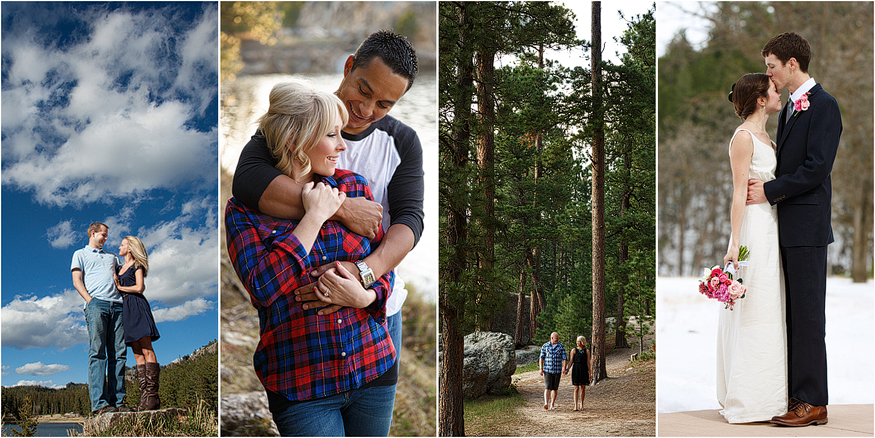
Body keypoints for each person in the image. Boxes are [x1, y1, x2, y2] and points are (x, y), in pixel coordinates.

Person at [231, 31, 423, 419]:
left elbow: (410, 221)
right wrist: (340, 209)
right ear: (349, 66)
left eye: (384, 103)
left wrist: (363, 277)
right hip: (302, 351)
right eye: (363, 91)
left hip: (374, 311)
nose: (367, 109)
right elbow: (248, 180)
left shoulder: (402, 141)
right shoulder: (298, 118)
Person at [747, 32, 841, 427]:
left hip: (806, 228)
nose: (768, 74)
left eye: (771, 66)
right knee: (787, 314)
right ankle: (792, 394)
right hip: (782, 229)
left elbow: (817, 168)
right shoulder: (789, 109)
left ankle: (812, 402)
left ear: (791, 64)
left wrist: (769, 191)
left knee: (807, 317)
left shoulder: (825, 106)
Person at [718, 72, 787, 423]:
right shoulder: (743, 138)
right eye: (774, 90)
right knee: (755, 306)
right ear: (761, 98)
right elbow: (737, 192)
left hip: (772, 227)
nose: (779, 93)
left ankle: (772, 395)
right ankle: (749, 398)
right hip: (753, 230)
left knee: (770, 307)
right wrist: (734, 242)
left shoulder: (768, 138)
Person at [71, 222, 129, 415]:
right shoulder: (79, 254)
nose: (106, 239)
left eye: (107, 236)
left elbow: (126, 272)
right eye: (103, 235)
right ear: (93, 233)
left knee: (119, 353)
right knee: (98, 353)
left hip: (118, 306)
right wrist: (91, 301)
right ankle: (100, 404)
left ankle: (118, 401)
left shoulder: (112, 257)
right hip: (97, 305)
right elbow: (76, 280)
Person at [114, 236, 161, 411]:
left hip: (137, 305)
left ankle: (152, 396)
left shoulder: (137, 266)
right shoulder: (119, 268)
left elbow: (140, 288)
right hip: (126, 308)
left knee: (147, 348)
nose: (120, 247)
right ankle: (144, 399)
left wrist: (120, 288)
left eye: (123, 244)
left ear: (131, 248)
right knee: (136, 353)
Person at [539, 332, 567, 411]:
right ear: (552, 338)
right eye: (556, 338)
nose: (557, 339)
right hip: (547, 370)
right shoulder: (545, 346)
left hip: (557, 370)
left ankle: (552, 404)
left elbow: (564, 358)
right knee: (547, 387)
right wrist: (541, 368)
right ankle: (546, 403)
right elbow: (541, 358)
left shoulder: (561, 346)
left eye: (558, 338)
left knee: (555, 388)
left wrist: (564, 368)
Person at [566, 336, 591, 411]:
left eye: (578, 341)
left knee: (583, 388)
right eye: (577, 341)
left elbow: (588, 363)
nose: (577, 343)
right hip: (576, 369)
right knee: (576, 388)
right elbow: (571, 361)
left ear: (582, 342)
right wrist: (567, 369)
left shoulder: (587, 351)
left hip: (584, 370)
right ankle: (575, 405)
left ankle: (582, 404)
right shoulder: (574, 350)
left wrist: (590, 373)